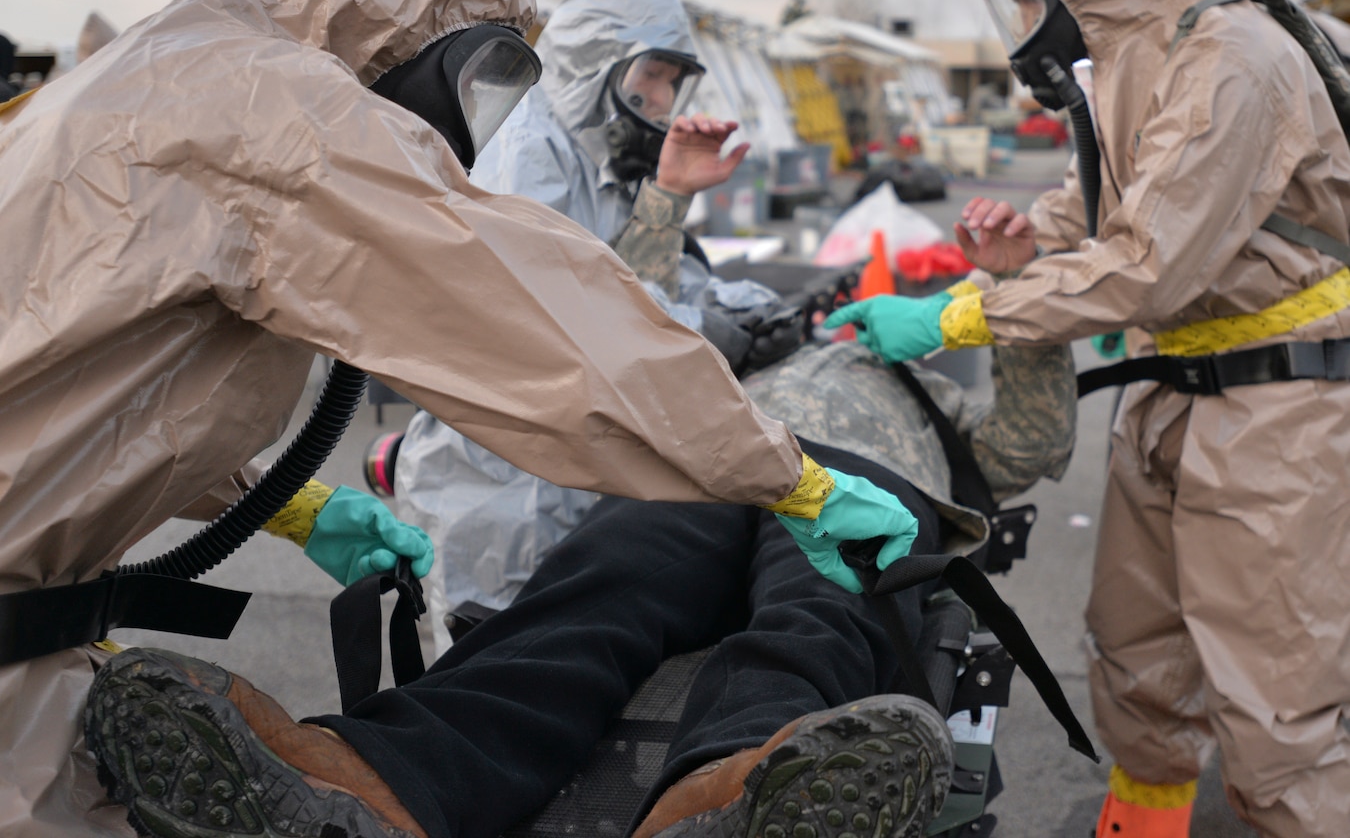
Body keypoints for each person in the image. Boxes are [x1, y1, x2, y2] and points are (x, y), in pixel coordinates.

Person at [0, 0, 920, 838]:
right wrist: (788, 474)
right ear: (408, 27)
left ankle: (378, 785)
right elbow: (543, 325)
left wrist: (284, 504)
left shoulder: (135, 87)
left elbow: (85, 389)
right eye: (477, 71)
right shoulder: (280, 111)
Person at [86, 300, 1079, 838]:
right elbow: (616, 313)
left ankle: (727, 791)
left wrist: (988, 311)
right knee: (597, 584)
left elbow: (1032, 443)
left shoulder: (928, 386)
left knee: (822, 602)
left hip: (869, 475)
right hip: (718, 452)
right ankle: (382, 781)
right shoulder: (749, 349)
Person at [828, 0, 1350, 837]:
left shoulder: (1233, 60)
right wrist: (977, 258)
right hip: (1177, 395)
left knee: (1279, 712)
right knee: (1138, 652)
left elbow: (1151, 264)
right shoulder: (1129, 65)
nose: (1024, 29)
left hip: (1280, 409)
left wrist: (954, 318)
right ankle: (1141, 821)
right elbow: (1094, 213)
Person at [396, 0, 804, 632]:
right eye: (651, 77)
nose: (663, 101)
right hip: (495, 485)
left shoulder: (598, 156)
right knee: (489, 678)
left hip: (571, 467)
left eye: (673, 83)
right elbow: (559, 308)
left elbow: (638, 279)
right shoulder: (524, 149)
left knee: (562, 670)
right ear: (597, 63)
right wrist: (700, 327)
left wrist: (740, 305)